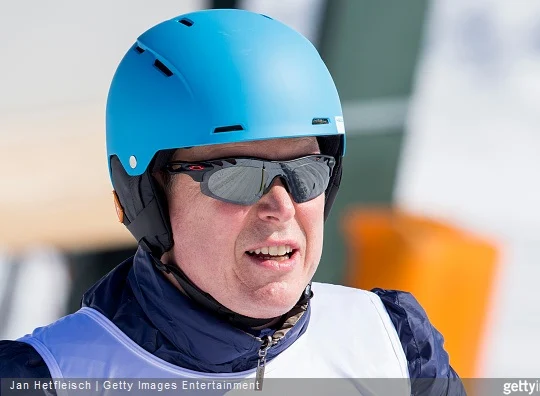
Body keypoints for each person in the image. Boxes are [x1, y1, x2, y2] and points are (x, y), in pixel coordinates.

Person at [0, 9, 465, 395]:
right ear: (149, 198)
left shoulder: (393, 347)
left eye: (306, 172)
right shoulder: (46, 378)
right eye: (239, 176)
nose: (281, 206)